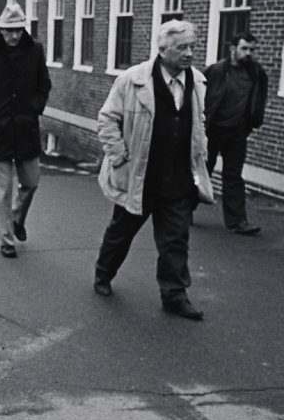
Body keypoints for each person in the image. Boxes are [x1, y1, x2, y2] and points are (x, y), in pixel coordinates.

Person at [93, 20, 214, 320]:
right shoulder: (133, 80)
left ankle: (174, 295)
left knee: (176, 240)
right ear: (162, 50)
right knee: (121, 233)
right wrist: (119, 155)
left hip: (178, 179)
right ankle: (103, 274)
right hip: (139, 177)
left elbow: (198, 124)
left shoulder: (198, 82)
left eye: (192, 47)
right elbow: (107, 119)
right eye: (182, 47)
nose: (189, 53)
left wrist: (201, 155)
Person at [0, 3, 51, 258]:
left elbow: (44, 85)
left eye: (17, 30)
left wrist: (34, 109)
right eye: (8, 31)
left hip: (26, 130)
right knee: (3, 191)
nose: (13, 36)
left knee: (31, 182)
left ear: (23, 29)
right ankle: (6, 239)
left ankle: (16, 219)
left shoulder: (35, 52)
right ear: (1, 30)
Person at [203, 31, 268, 235]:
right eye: (244, 48)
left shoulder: (256, 73)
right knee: (202, 171)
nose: (248, 53)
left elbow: (260, 98)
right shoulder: (215, 71)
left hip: (237, 133)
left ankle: (238, 221)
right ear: (232, 49)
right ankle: (183, 212)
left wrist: (254, 120)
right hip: (212, 131)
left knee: (233, 176)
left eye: (251, 49)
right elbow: (200, 97)